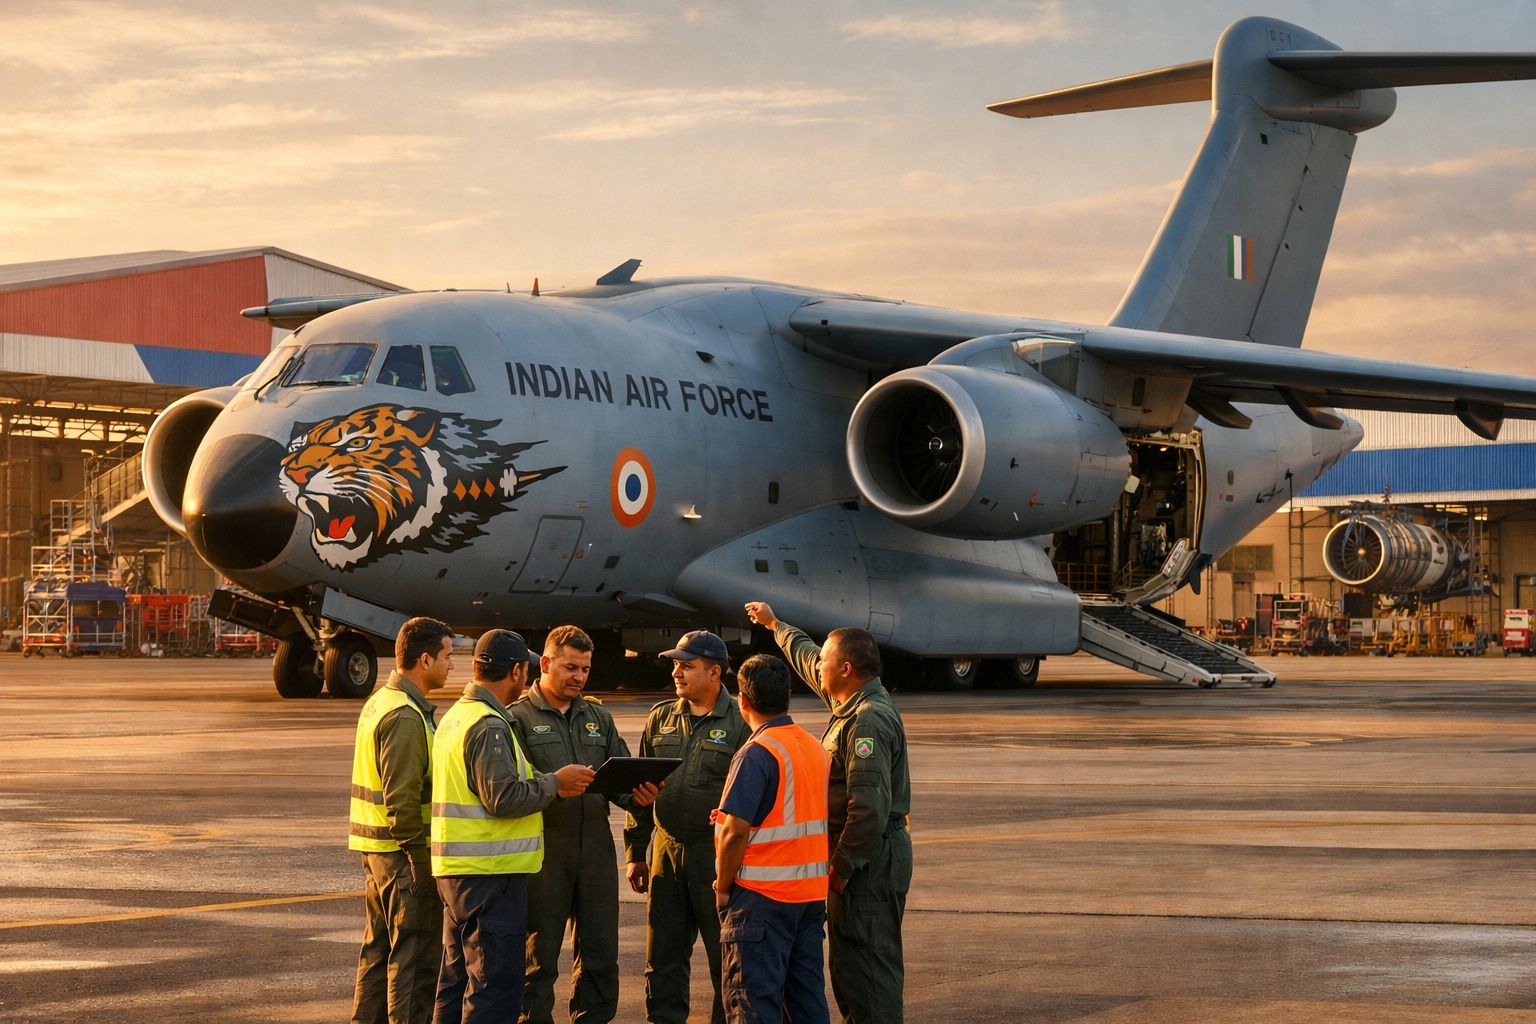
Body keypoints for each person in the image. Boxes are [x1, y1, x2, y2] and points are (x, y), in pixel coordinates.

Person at [743, 602, 911, 1024]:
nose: (817, 666)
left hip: (866, 861)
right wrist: (774, 625)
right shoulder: (852, 702)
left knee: (867, 970)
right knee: (851, 968)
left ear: (846, 669)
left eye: (826, 661)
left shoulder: (867, 720)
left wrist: (841, 866)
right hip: (863, 856)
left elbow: (868, 807)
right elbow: (805, 656)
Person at [432, 629, 596, 1024]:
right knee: (494, 989)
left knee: (455, 984)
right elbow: (503, 797)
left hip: (458, 874)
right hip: (490, 878)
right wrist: (554, 783)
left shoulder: (456, 715)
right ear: (518, 671)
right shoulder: (489, 724)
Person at [510, 625, 642, 1024]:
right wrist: (556, 786)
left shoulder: (597, 716)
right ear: (545, 664)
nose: (579, 677)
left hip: (595, 852)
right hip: (544, 853)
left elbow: (618, 777)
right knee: (537, 959)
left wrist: (639, 794)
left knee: (601, 955)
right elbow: (513, 789)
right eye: (570, 667)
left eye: (585, 669)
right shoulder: (517, 718)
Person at [624, 630, 752, 1024]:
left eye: (686, 666)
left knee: (726, 959)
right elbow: (641, 790)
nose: (676, 673)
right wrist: (636, 852)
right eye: (676, 665)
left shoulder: (741, 722)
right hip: (666, 853)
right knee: (662, 958)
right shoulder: (660, 716)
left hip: (715, 856)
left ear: (715, 673)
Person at [713, 654, 830, 1024]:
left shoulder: (756, 752)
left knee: (753, 1004)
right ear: (788, 695)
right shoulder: (813, 746)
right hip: (809, 896)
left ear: (743, 701)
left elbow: (735, 831)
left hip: (762, 898)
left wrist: (722, 885)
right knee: (806, 1001)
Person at [349, 616, 453, 1024]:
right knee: (414, 964)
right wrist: (420, 862)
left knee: (378, 954)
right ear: (425, 660)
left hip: (378, 851)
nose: (451, 665)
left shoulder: (381, 700)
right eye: (447, 656)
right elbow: (403, 801)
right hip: (403, 856)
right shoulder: (406, 716)